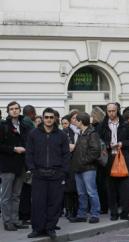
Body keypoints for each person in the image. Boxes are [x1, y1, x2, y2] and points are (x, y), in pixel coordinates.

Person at [26, 107, 70, 239]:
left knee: (54, 203)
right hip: (39, 173)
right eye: (46, 117)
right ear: (43, 118)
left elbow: (66, 155)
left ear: (55, 119)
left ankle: (50, 228)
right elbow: (29, 153)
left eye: (51, 117)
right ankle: (38, 229)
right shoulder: (34, 134)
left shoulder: (62, 135)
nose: (49, 120)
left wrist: (63, 171)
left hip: (56, 174)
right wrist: (33, 169)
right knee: (38, 203)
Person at [99, 102, 129, 221]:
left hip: (124, 158)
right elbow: (99, 142)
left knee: (125, 189)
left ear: (117, 110)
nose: (111, 113)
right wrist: (109, 146)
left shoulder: (125, 124)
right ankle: (113, 213)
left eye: (113, 111)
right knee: (111, 189)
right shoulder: (102, 125)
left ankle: (125, 213)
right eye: (109, 111)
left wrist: (121, 144)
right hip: (109, 159)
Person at [0, 101, 31, 231]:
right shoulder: (3, 126)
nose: (14, 110)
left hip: (20, 166)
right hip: (7, 166)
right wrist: (13, 149)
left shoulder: (24, 126)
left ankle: (15, 220)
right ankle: (7, 221)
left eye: (16, 108)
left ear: (20, 110)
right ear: (8, 111)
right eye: (11, 109)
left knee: (16, 195)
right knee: (6, 196)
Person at [69, 112, 101, 224]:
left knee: (91, 192)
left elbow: (95, 151)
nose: (74, 122)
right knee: (81, 193)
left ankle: (95, 214)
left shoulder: (92, 133)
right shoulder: (82, 133)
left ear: (81, 122)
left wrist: (82, 161)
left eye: (76, 120)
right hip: (79, 168)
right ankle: (81, 214)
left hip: (88, 168)